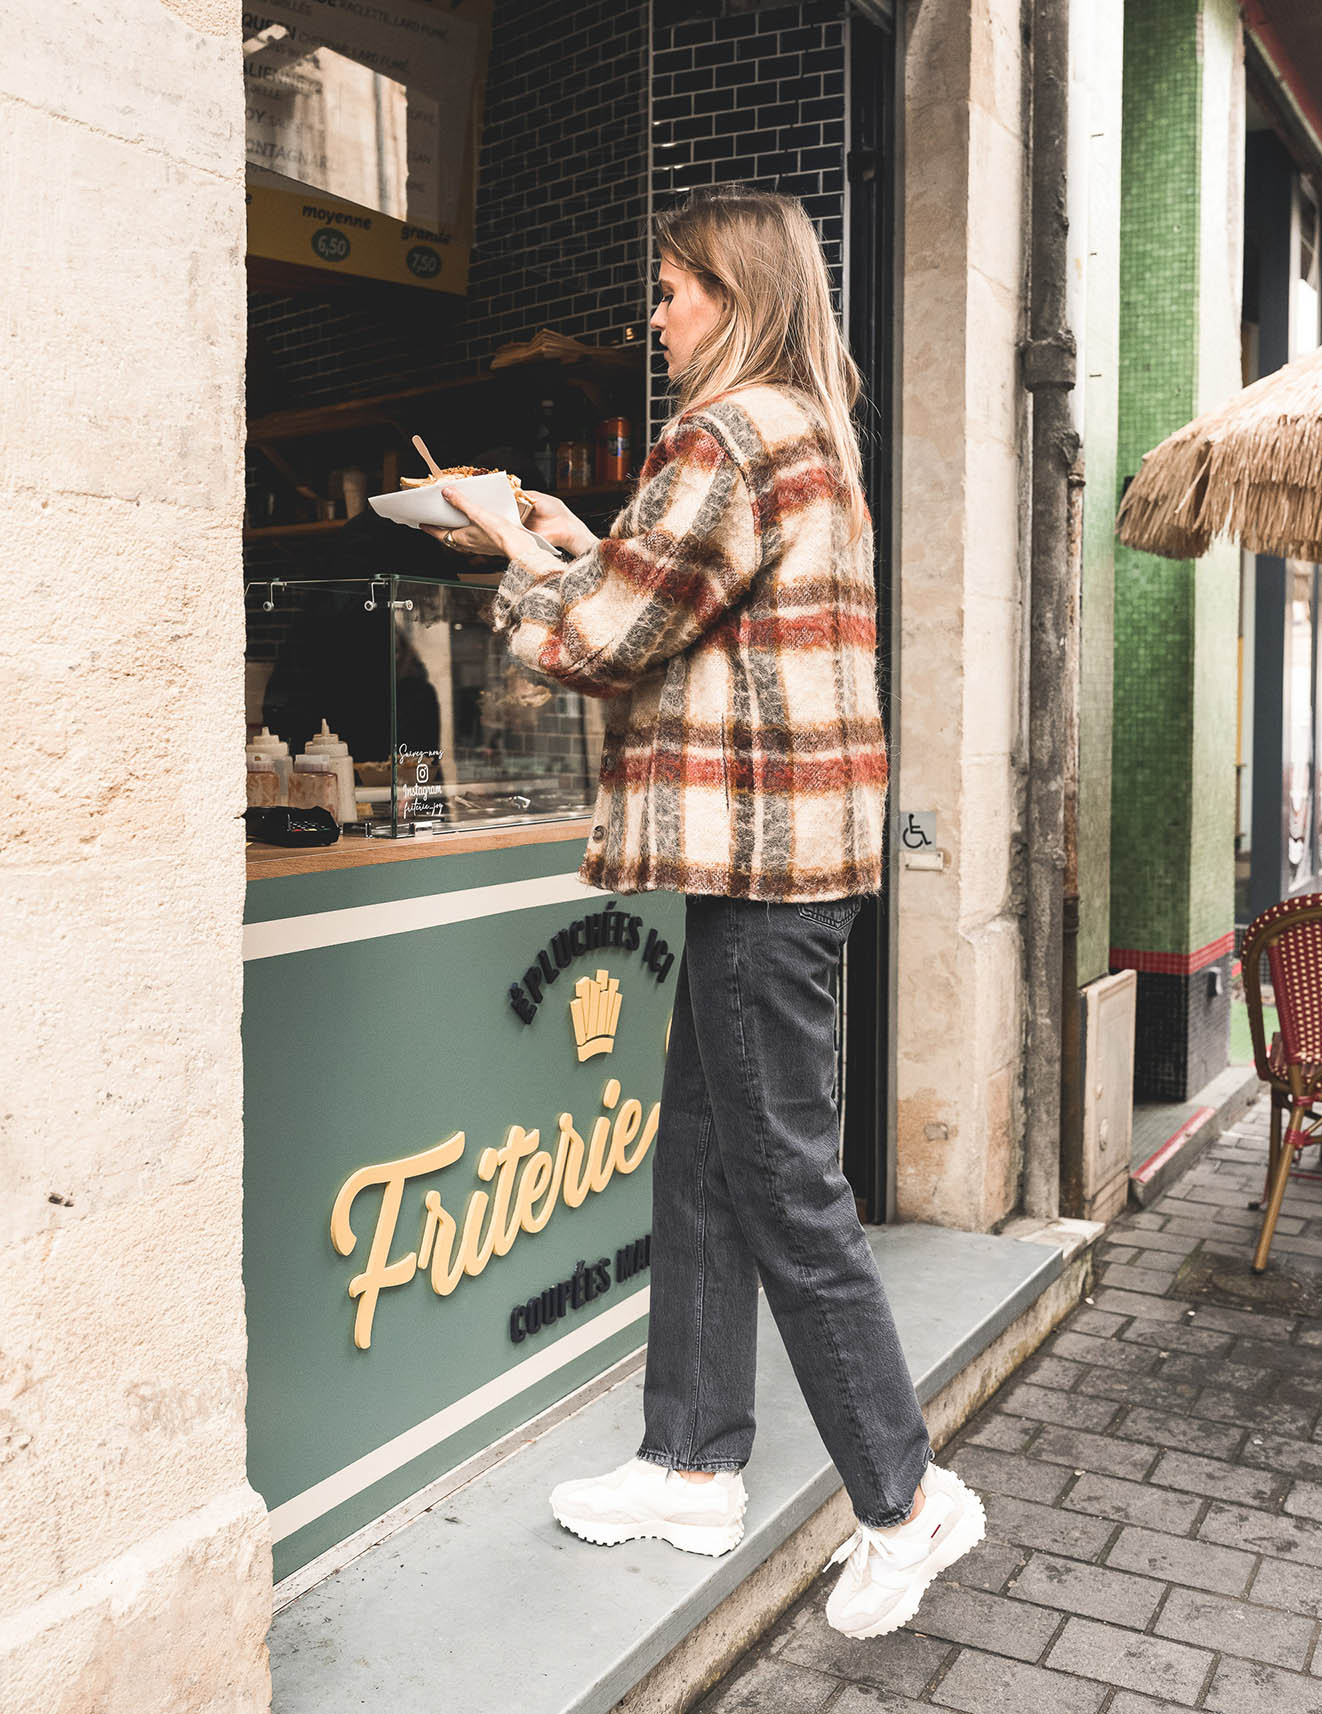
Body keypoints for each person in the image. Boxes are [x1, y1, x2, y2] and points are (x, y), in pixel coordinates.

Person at [424, 185, 984, 1641]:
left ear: (734, 297)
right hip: (795, 867)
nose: (655, 317)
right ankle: (687, 1463)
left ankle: (906, 1497)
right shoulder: (805, 434)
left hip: (758, 873)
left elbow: (601, 638)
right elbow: (684, 603)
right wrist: (577, 533)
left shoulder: (726, 435)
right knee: (707, 1161)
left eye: (670, 291)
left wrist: (505, 546)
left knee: (786, 1182)